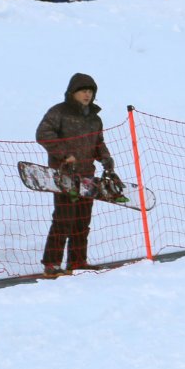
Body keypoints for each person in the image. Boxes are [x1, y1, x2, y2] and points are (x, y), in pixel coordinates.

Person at [35, 73, 118, 277]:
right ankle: (52, 264)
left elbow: (98, 142)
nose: (87, 95)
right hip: (64, 176)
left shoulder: (94, 118)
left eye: (90, 91)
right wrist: (64, 154)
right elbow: (43, 134)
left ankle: (77, 261)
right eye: (83, 91)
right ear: (72, 92)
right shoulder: (58, 112)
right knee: (63, 218)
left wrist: (106, 159)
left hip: (87, 176)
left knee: (82, 220)